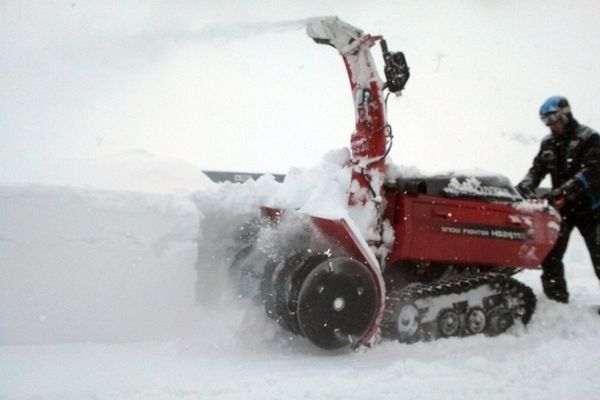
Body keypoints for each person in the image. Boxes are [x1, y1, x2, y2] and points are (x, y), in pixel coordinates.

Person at [516, 96, 600, 304]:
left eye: (553, 119)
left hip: (592, 209)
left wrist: (565, 190)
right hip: (562, 209)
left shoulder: (589, 138)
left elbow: (592, 172)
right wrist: (524, 186)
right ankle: (557, 300)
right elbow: (537, 169)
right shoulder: (548, 143)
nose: (550, 125)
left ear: (565, 114)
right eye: (546, 121)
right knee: (550, 254)